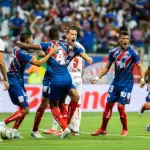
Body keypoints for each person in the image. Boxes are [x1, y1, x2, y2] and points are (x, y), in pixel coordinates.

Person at [16, 26, 92, 138]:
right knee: (47, 103)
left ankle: (65, 126)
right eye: (71, 34)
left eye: (75, 35)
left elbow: (37, 50)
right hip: (51, 78)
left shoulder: (72, 46)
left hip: (64, 76)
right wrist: (26, 46)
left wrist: (88, 58)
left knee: (72, 97)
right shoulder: (53, 44)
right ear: (64, 35)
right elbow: (38, 50)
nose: (73, 37)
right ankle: (36, 130)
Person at [0, 33, 58, 138]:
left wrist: (41, 53)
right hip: (14, 79)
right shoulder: (22, 53)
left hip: (18, 79)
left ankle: (14, 130)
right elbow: (39, 63)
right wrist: (50, 54)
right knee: (25, 109)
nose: (32, 41)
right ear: (27, 40)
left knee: (23, 107)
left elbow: (31, 49)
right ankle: (2, 124)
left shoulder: (19, 49)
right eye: (31, 39)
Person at [90, 30, 145, 137]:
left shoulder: (132, 52)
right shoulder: (113, 52)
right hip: (116, 83)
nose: (125, 41)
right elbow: (107, 67)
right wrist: (97, 77)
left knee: (120, 107)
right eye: (123, 38)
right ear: (119, 39)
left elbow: (140, 66)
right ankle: (102, 129)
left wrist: (142, 79)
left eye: (127, 39)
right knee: (108, 105)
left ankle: (125, 129)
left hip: (127, 84)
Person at [43, 55, 84, 136]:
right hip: (78, 77)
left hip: (67, 76)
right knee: (77, 105)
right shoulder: (80, 49)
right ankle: (75, 129)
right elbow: (82, 65)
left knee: (60, 103)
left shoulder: (66, 48)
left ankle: (58, 128)